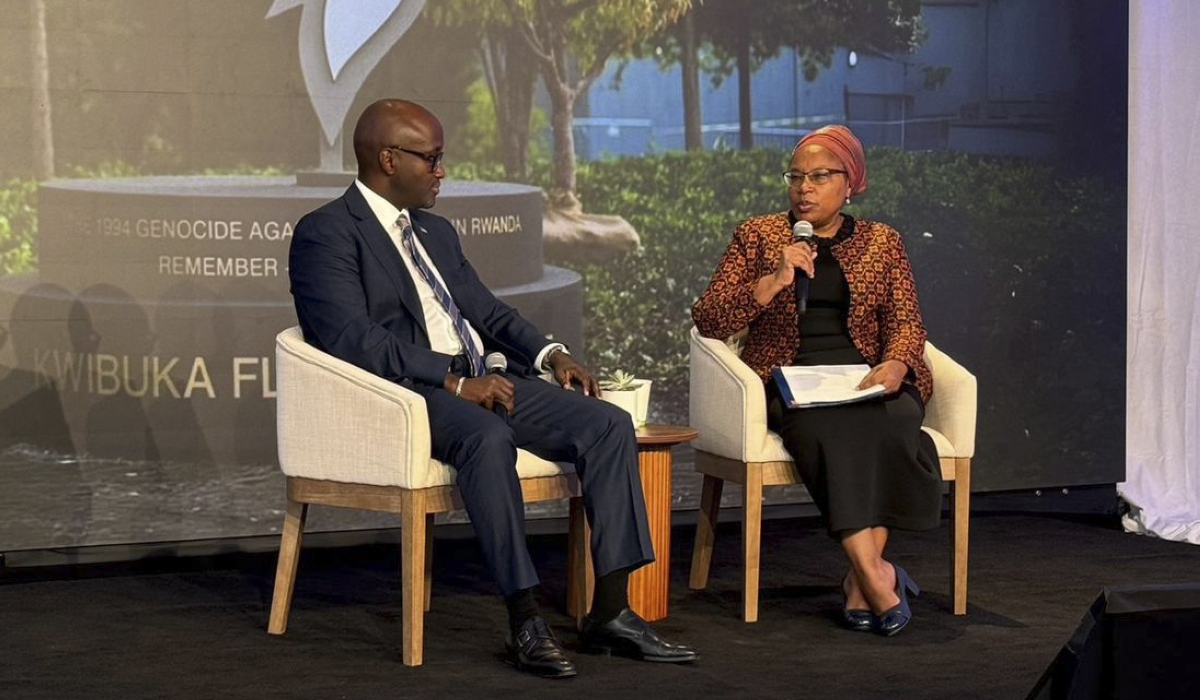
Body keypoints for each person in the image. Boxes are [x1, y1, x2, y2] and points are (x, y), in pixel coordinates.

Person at [289, 98, 696, 677]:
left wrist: (552, 354)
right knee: (485, 436)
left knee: (606, 423)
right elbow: (351, 339)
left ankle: (610, 613)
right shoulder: (326, 232)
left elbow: (485, 310)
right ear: (388, 159)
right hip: (406, 394)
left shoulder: (434, 231)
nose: (441, 171)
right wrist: (453, 382)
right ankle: (525, 618)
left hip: (481, 379)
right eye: (431, 159)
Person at [691, 125, 942, 637]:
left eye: (820, 176)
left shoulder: (882, 242)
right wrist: (769, 282)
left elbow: (907, 321)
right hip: (791, 379)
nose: (804, 187)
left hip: (867, 374)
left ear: (850, 183)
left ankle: (860, 579)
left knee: (896, 421)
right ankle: (877, 576)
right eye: (796, 176)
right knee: (826, 433)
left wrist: (896, 364)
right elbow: (709, 318)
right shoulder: (758, 236)